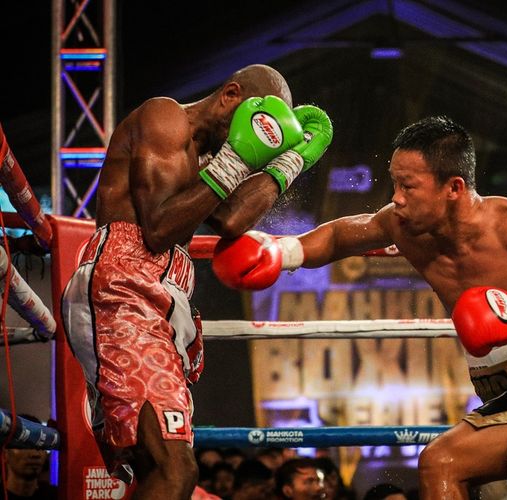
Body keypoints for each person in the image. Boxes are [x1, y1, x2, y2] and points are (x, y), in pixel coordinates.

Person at [212, 116, 507, 498]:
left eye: (409, 186)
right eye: (395, 184)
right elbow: (340, 236)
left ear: (454, 188)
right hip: (504, 396)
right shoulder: (403, 224)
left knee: (442, 463)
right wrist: (280, 252)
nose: (397, 198)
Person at [60, 63, 333, 500]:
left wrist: (292, 160)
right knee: (176, 469)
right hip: (125, 287)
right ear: (230, 96)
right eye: (261, 126)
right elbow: (159, 229)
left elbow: (231, 218)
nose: (260, 143)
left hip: (164, 301)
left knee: (154, 465)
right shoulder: (164, 118)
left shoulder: (218, 152)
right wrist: (237, 159)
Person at [0, 415, 57, 499]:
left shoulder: (58, 495)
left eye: (40, 446)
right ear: (5, 453)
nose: (35, 454)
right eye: (24, 445)